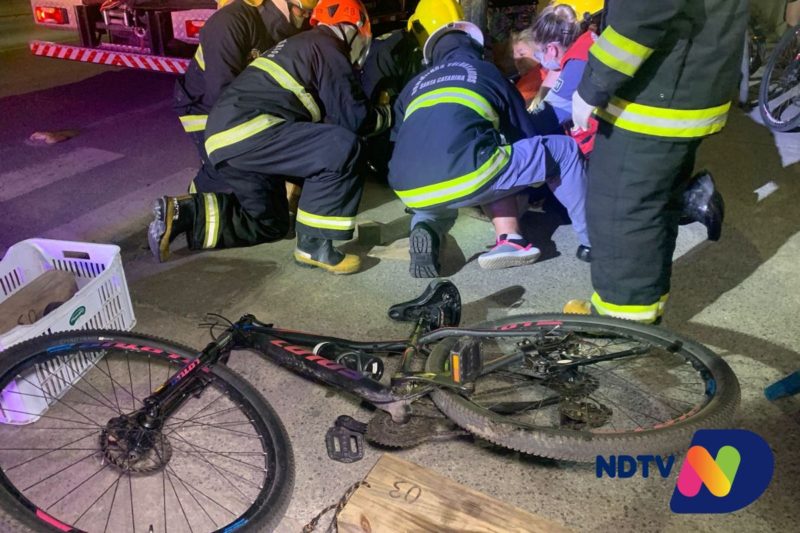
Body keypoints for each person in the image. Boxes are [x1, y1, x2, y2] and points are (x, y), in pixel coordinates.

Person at [149, 0, 391, 275]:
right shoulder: (327, 45)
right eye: (300, 11)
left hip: (232, 133)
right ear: (355, 28)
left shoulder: (298, 43)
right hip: (228, 121)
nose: (301, 18)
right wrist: (387, 115)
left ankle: (184, 213)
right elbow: (353, 119)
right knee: (343, 147)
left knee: (272, 223)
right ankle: (314, 245)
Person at [564, 0, 748, 323]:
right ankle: (647, 310)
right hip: (688, 80)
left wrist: (594, 83)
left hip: (658, 91)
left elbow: (642, 12)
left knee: (622, 210)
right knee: (655, 207)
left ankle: (618, 327)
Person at [388, 20, 591, 278]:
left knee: (440, 187)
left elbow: (398, 141)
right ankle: (590, 242)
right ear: (476, 49)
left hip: (408, 187)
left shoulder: (412, 86)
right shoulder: (484, 71)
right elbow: (521, 131)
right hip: (471, 172)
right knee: (560, 151)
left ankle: (425, 225)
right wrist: (535, 182)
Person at [174, 0, 318, 194]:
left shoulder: (289, 28)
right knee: (232, 169)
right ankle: (190, 206)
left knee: (268, 170)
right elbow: (222, 94)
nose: (308, 15)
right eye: (303, 9)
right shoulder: (230, 22)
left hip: (251, 103)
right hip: (206, 108)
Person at [359, 0, 463, 178]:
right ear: (419, 29)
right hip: (388, 137)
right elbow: (378, 116)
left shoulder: (431, 51)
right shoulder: (388, 54)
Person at [510, 28, 547, 108]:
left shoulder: (536, 79)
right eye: (514, 57)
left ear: (540, 52)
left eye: (522, 54)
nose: (517, 60)